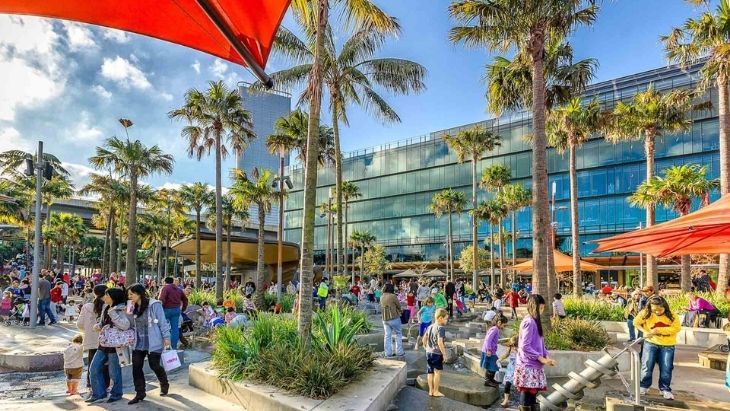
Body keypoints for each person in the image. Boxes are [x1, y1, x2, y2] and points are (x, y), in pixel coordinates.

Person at [127, 283, 171, 404]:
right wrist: (128, 311)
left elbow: (162, 321)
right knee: (136, 367)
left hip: (154, 341)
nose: (129, 296)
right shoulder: (132, 306)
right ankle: (140, 393)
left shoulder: (154, 304)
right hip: (138, 342)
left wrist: (166, 337)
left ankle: (164, 383)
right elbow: (129, 323)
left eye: (132, 294)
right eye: (129, 294)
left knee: (154, 365)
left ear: (139, 294)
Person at [87, 288, 130, 404]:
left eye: (107, 295)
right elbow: (103, 322)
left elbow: (125, 326)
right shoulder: (105, 307)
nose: (104, 297)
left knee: (114, 372)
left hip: (116, 345)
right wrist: (98, 325)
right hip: (104, 343)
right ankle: (99, 393)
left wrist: (114, 314)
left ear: (113, 297)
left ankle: (116, 394)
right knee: (94, 368)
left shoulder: (123, 309)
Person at [633, 295, 680, 400]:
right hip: (650, 343)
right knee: (647, 365)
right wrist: (645, 332)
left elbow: (676, 328)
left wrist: (658, 330)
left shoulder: (672, 315)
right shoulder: (646, 313)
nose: (657, 312)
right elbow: (635, 322)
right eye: (654, 310)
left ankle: (665, 389)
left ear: (665, 306)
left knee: (666, 368)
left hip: (668, 345)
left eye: (660, 309)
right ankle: (644, 386)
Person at [514, 294, 556, 410]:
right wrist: (541, 358)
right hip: (528, 365)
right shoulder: (529, 322)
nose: (541, 311)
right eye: (540, 308)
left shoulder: (534, 321)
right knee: (527, 394)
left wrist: (546, 356)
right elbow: (525, 346)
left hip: (533, 365)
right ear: (533, 307)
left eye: (543, 308)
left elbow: (539, 344)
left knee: (532, 395)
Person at [76, 284, 110, 391]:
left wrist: (88, 329)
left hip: (91, 339)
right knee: (105, 364)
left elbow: (79, 324)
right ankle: (105, 385)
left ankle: (91, 384)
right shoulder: (108, 306)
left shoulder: (86, 307)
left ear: (94, 293)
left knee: (92, 363)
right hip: (105, 340)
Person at [423, 308, 449, 397]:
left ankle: (430, 391)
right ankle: (436, 391)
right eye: (446, 318)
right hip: (437, 353)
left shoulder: (430, 326)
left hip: (428, 352)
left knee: (430, 372)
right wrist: (444, 354)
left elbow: (424, 338)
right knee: (437, 372)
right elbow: (440, 342)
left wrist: (425, 346)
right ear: (440, 318)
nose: (446, 321)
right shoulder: (441, 328)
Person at [159, 276, 188, 349]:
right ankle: (173, 347)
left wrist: (159, 310)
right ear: (172, 282)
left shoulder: (165, 288)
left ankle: (163, 346)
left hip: (166, 310)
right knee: (175, 328)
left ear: (165, 282)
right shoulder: (179, 290)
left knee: (162, 327)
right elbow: (185, 299)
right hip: (176, 310)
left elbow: (161, 299)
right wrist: (183, 309)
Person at [482, 315, 507, 387]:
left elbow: (492, 340)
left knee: (493, 365)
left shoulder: (494, 329)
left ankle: (491, 379)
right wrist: (489, 350)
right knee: (491, 366)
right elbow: (488, 340)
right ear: (499, 322)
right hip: (489, 351)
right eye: (504, 325)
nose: (504, 327)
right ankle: (487, 381)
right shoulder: (495, 329)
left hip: (491, 351)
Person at [381, 283, 404, 357]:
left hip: (385, 319)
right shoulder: (393, 296)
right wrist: (401, 310)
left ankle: (388, 353)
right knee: (398, 334)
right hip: (394, 317)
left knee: (387, 336)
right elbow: (399, 306)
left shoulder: (382, 296)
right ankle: (399, 352)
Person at [499, 335, 519, 408]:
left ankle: (522, 402)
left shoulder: (521, 349)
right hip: (510, 369)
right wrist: (500, 359)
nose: (514, 347)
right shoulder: (510, 348)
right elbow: (507, 354)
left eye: (515, 345)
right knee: (508, 383)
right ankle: (506, 400)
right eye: (512, 345)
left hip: (518, 369)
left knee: (519, 385)